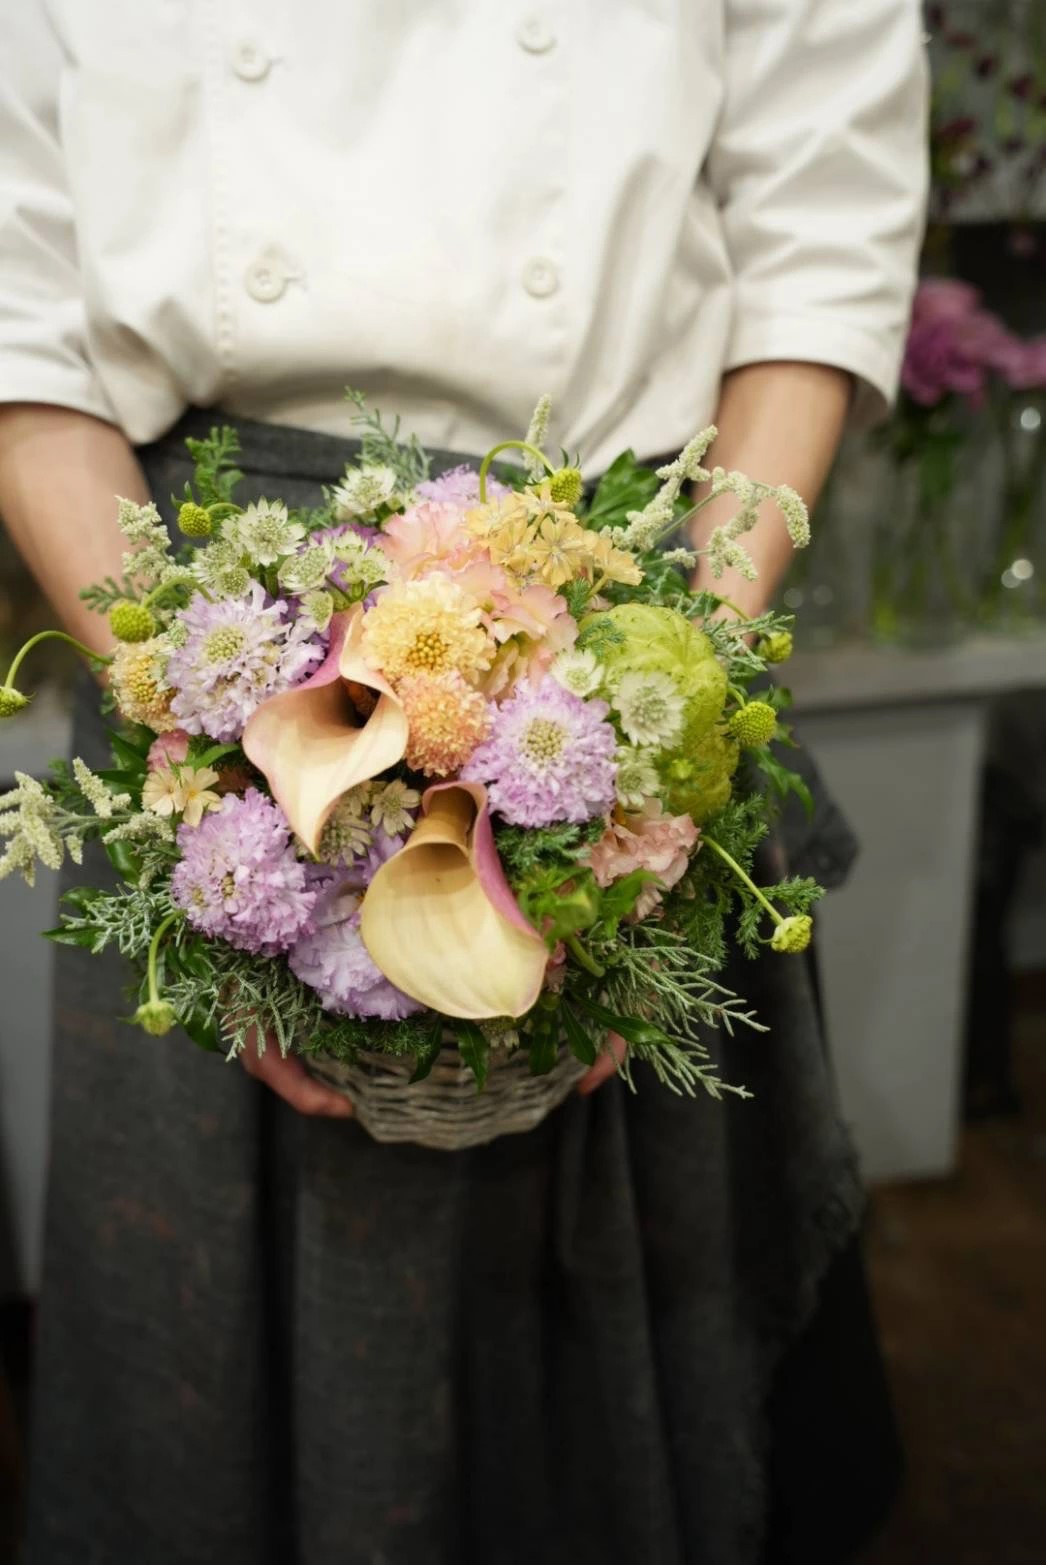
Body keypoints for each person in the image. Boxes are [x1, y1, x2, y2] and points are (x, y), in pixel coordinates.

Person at [0, 4, 928, 1562]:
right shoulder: (204, 718)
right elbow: (22, 325)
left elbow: (816, 246)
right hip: (199, 617)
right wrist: (215, 764)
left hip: (624, 599)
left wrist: (657, 738)